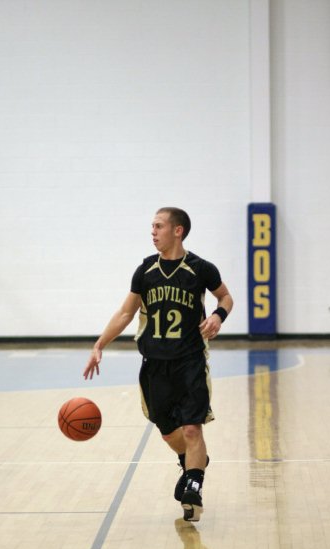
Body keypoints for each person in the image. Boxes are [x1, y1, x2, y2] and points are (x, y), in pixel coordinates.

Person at [83, 207, 233, 521]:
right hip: (155, 365)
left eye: (158, 226)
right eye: (152, 226)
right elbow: (126, 314)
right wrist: (99, 344)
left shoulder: (200, 268)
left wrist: (219, 316)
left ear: (177, 231)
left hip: (190, 362)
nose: (153, 232)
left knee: (193, 428)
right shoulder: (145, 271)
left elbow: (225, 297)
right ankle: (192, 461)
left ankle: (193, 487)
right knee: (168, 431)